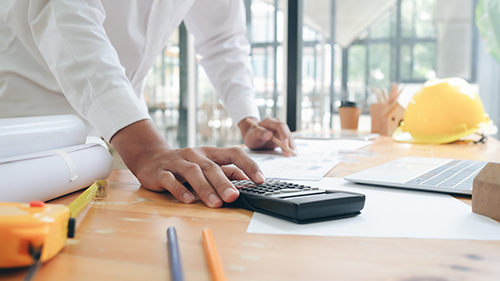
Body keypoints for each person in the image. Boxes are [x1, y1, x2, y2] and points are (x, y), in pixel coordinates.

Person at [0, 0, 296, 208]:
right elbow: (64, 11)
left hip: (124, 123)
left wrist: (247, 117)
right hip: (35, 124)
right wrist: (146, 148)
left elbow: (222, 38)